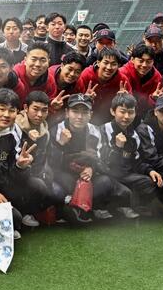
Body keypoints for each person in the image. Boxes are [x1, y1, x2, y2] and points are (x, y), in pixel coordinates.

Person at [0, 89, 60, 235]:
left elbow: (14, 172)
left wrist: (20, 166)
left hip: (3, 185)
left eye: (11, 110)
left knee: (40, 188)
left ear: (18, 111)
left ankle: (19, 212)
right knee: (14, 219)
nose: (6, 115)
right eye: (2, 109)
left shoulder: (15, 131)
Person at [50, 94, 131, 223]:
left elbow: (103, 160)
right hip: (63, 176)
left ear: (90, 114)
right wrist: (60, 144)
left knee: (106, 182)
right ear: (67, 112)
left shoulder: (95, 131)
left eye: (84, 112)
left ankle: (80, 206)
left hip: (88, 177)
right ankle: (70, 206)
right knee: (57, 189)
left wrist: (91, 168)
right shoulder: (56, 130)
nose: (79, 117)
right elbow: (51, 164)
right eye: (75, 112)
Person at [99, 93, 160, 217]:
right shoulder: (102, 130)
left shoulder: (134, 134)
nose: (126, 116)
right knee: (114, 186)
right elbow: (102, 162)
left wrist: (149, 170)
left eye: (131, 112)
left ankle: (133, 206)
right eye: (122, 111)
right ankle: (104, 206)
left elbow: (136, 161)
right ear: (112, 111)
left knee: (150, 181)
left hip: (124, 174)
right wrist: (117, 147)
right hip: (106, 173)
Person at [76, 47, 132, 125]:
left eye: (113, 64)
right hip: (86, 119)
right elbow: (75, 99)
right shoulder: (86, 74)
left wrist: (125, 98)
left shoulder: (122, 80)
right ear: (98, 62)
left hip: (110, 121)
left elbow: (131, 104)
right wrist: (84, 97)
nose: (109, 67)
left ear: (118, 65)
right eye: (106, 63)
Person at [119, 44, 163, 115]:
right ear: (132, 60)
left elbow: (152, 106)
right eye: (141, 61)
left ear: (153, 62)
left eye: (148, 61)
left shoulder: (157, 77)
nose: (144, 65)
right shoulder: (122, 74)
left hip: (144, 115)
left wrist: (153, 98)